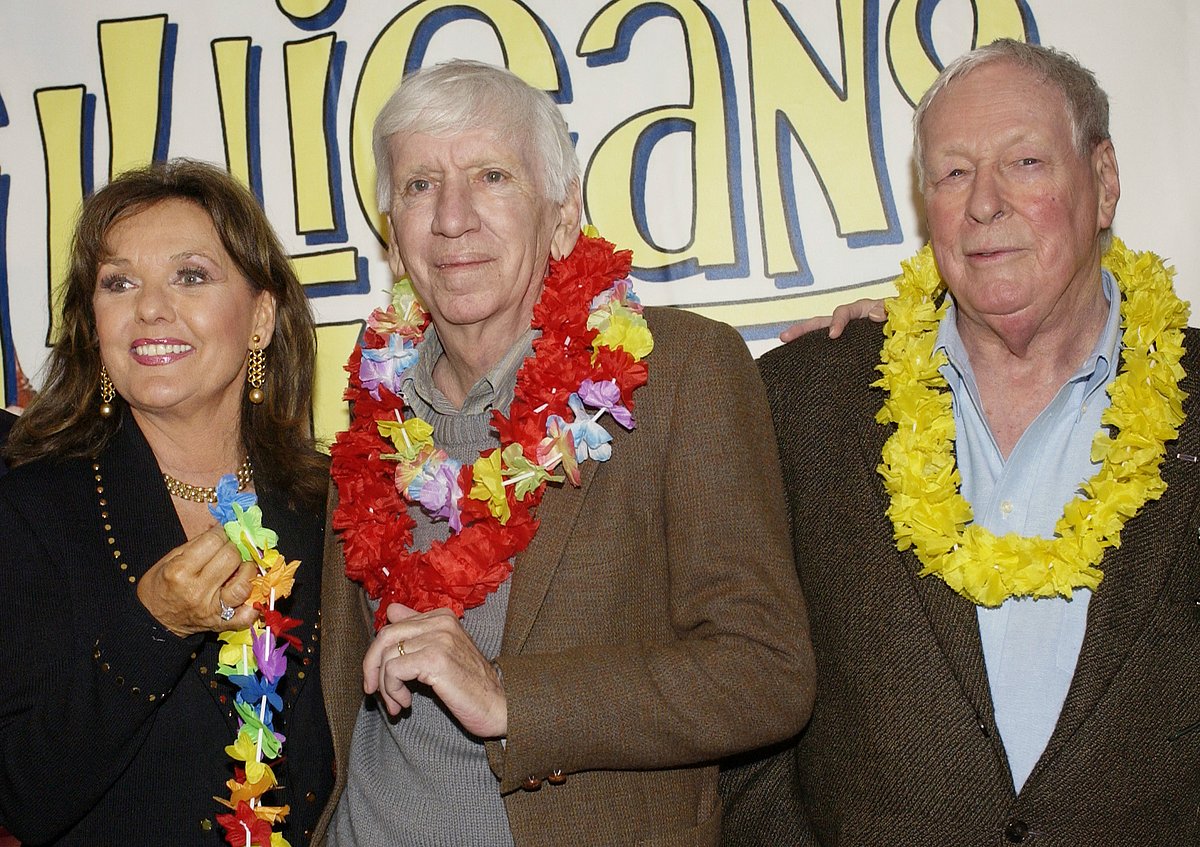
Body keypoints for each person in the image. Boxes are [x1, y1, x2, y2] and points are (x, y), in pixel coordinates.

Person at [314, 60, 813, 846]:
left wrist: (512, 699)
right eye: (419, 185)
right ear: (394, 238)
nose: (452, 218)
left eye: (491, 176)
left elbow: (766, 672)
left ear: (563, 214)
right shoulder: (372, 415)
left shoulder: (679, 372)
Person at [739, 38, 1200, 844]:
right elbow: (739, 686)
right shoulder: (806, 396)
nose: (984, 203)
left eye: (1024, 162)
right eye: (953, 173)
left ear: (1103, 181)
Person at [0, 160, 334, 844]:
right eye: (118, 282)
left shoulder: (327, 503)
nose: (150, 308)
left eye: (191, 275)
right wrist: (152, 626)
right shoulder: (32, 506)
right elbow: (23, 794)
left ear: (261, 317)